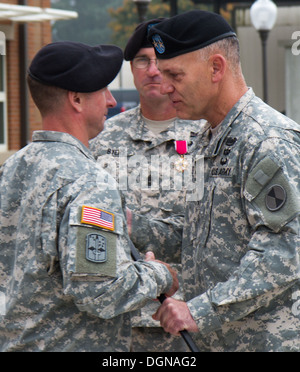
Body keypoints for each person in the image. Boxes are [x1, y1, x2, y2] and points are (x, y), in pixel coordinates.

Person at [0, 41, 178, 352]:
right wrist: (160, 274)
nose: (111, 101)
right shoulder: (89, 181)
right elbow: (99, 292)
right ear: (77, 99)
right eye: (103, 90)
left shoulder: (13, 167)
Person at [147, 10, 300, 352]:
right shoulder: (208, 138)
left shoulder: (265, 140)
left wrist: (199, 310)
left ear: (216, 68)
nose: (164, 86)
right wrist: (127, 224)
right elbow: (195, 232)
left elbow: (286, 250)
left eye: (175, 75)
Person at [90, 19, 204, 352]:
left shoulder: (205, 137)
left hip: (184, 318)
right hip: (117, 319)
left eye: (159, 61)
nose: (152, 70)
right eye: (142, 60)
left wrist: (130, 224)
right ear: (131, 68)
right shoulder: (102, 138)